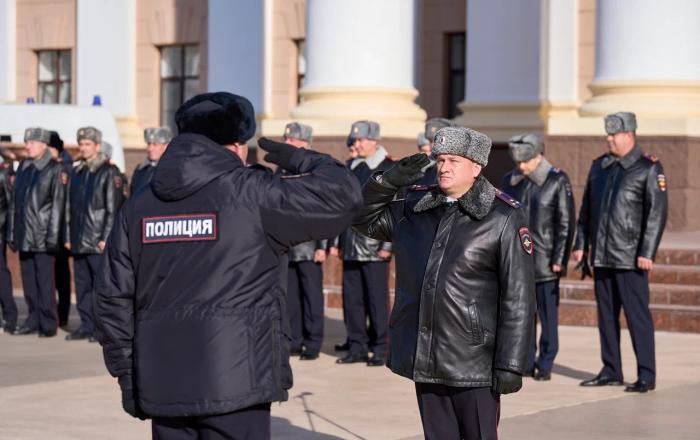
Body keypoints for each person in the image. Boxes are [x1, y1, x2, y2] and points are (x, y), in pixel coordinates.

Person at [93, 92, 362, 440]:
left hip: (162, 383)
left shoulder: (141, 204)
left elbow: (111, 298)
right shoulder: (252, 193)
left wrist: (128, 375)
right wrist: (302, 159)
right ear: (236, 145)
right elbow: (344, 197)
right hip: (237, 378)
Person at [354, 126, 535, 440]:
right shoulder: (415, 209)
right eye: (440, 159)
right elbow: (362, 218)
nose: (444, 167)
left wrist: (511, 364)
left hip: (475, 362)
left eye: (454, 160)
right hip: (427, 354)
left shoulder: (502, 218)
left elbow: (518, 298)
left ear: (476, 167)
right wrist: (387, 183)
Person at [574, 112, 667, 393]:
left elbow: (656, 214)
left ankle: (646, 375)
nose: (609, 138)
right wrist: (581, 244)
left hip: (630, 258)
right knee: (606, 317)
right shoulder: (599, 167)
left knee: (637, 317)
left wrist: (646, 251)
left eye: (614, 134)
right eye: (608, 134)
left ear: (630, 135)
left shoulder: (648, 168)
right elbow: (586, 210)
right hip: (602, 256)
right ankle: (611, 369)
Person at [501, 133, 575, 380]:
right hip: (518, 261)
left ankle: (545, 362)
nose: (521, 167)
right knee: (523, 315)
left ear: (538, 156)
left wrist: (560, 259)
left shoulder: (556, 180)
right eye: (518, 162)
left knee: (547, 317)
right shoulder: (510, 181)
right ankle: (526, 360)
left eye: (526, 162)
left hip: (545, 262)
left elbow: (565, 223)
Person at [332, 120, 393, 367]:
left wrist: (387, 245)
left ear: (374, 140)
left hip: (375, 245)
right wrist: (337, 240)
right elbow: (342, 208)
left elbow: (392, 208)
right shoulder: (351, 167)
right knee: (352, 299)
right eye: (354, 140)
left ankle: (380, 347)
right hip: (350, 242)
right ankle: (356, 345)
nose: (356, 144)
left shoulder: (388, 168)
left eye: (360, 140)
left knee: (377, 300)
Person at [64, 127, 124, 341]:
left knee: (100, 288)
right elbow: (71, 207)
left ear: (97, 146)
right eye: (81, 144)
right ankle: (86, 325)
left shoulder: (108, 172)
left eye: (88, 144)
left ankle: (101, 328)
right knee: (82, 287)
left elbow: (112, 208)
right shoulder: (78, 172)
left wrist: (105, 237)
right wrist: (69, 236)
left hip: (97, 240)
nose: (84, 147)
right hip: (80, 239)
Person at [8, 127, 67, 337]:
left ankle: (48, 322)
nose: (28, 146)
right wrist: (12, 233)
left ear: (43, 145)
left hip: (43, 236)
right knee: (29, 282)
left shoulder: (54, 169)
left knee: (45, 282)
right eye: (27, 142)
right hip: (25, 234)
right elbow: (15, 203)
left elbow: (57, 207)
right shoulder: (24, 167)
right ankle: (33, 319)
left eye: (32, 142)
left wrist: (53, 237)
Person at [280, 122, 328, 360]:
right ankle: (295, 339)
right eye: (286, 139)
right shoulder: (282, 169)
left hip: (310, 243)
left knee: (311, 296)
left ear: (304, 143)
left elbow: (325, 210)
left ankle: (313, 341)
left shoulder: (316, 169)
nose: (287, 143)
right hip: (286, 243)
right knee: (291, 296)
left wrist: (322, 245)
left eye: (292, 140)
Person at [47, 131, 72, 328]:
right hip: (50, 231)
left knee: (62, 278)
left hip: (62, 231)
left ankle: (62, 315)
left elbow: (65, 205)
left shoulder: (64, 170)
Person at [0, 157, 17, 333]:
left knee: (1, 275)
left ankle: (10, 316)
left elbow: (10, 205)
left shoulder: (3, 173)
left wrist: (9, 233)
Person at [130, 127, 172, 195]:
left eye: (155, 145)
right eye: (149, 144)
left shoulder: (170, 169)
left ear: (166, 146)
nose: (150, 149)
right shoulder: (140, 169)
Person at [415, 117, 454, 186]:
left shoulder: (458, 164)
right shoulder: (422, 167)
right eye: (430, 140)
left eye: (437, 140)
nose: (432, 145)